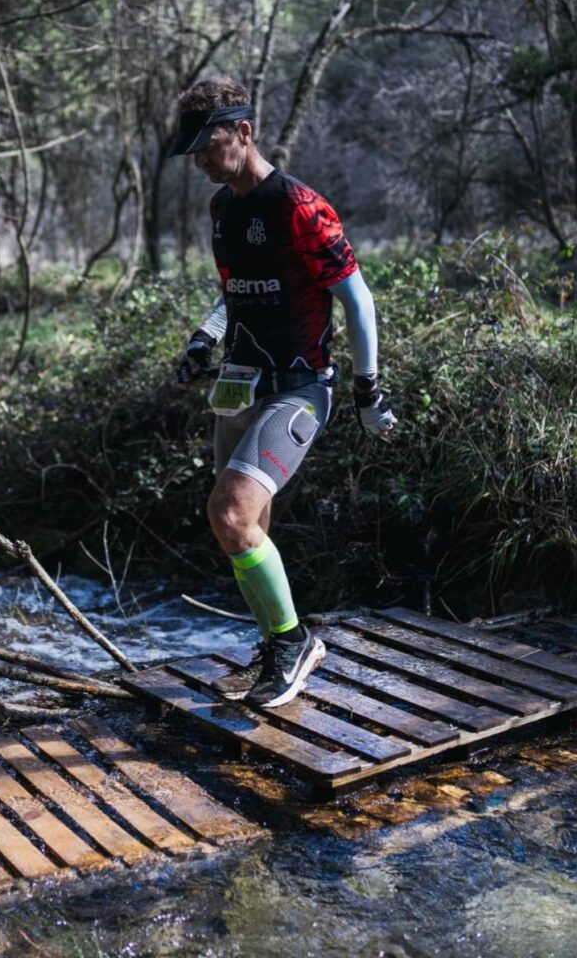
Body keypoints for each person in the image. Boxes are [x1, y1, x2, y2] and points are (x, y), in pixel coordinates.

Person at [170, 76, 396, 709]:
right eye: (193, 152)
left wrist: (368, 389)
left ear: (243, 132)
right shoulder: (222, 210)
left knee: (230, 514)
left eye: (208, 146)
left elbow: (357, 299)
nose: (200, 161)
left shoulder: (299, 206)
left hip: (297, 389)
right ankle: (276, 648)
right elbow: (235, 293)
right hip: (239, 389)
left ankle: (296, 643)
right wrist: (203, 339)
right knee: (245, 529)